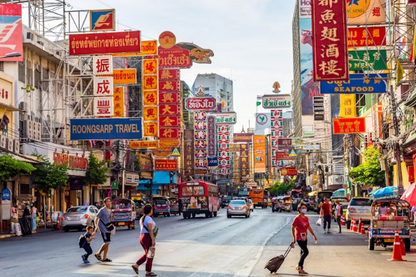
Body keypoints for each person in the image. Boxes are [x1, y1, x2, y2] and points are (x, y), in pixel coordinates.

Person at [292, 203, 318, 275]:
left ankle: (301, 269)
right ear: (299, 209)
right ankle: (299, 266)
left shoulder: (306, 218)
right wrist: (294, 238)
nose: (304, 209)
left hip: (305, 237)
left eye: (305, 208)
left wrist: (314, 235)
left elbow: (308, 227)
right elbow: (293, 227)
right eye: (302, 208)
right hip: (299, 238)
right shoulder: (297, 218)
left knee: (302, 253)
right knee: (306, 252)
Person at [132, 205, 157, 276]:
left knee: (147, 254)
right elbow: (150, 229)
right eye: (151, 209)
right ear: (150, 211)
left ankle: (136, 265)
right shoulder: (148, 218)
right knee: (150, 255)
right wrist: (153, 239)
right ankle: (148, 271)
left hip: (142, 236)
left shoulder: (142, 218)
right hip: (147, 237)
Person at [94, 197, 113, 262]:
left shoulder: (110, 210)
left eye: (110, 201)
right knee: (107, 242)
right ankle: (98, 253)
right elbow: (96, 218)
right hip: (103, 228)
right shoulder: (102, 210)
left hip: (108, 228)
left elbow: (109, 220)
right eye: (107, 201)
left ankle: (105, 257)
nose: (109, 202)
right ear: (104, 203)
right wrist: (96, 226)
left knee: (107, 243)